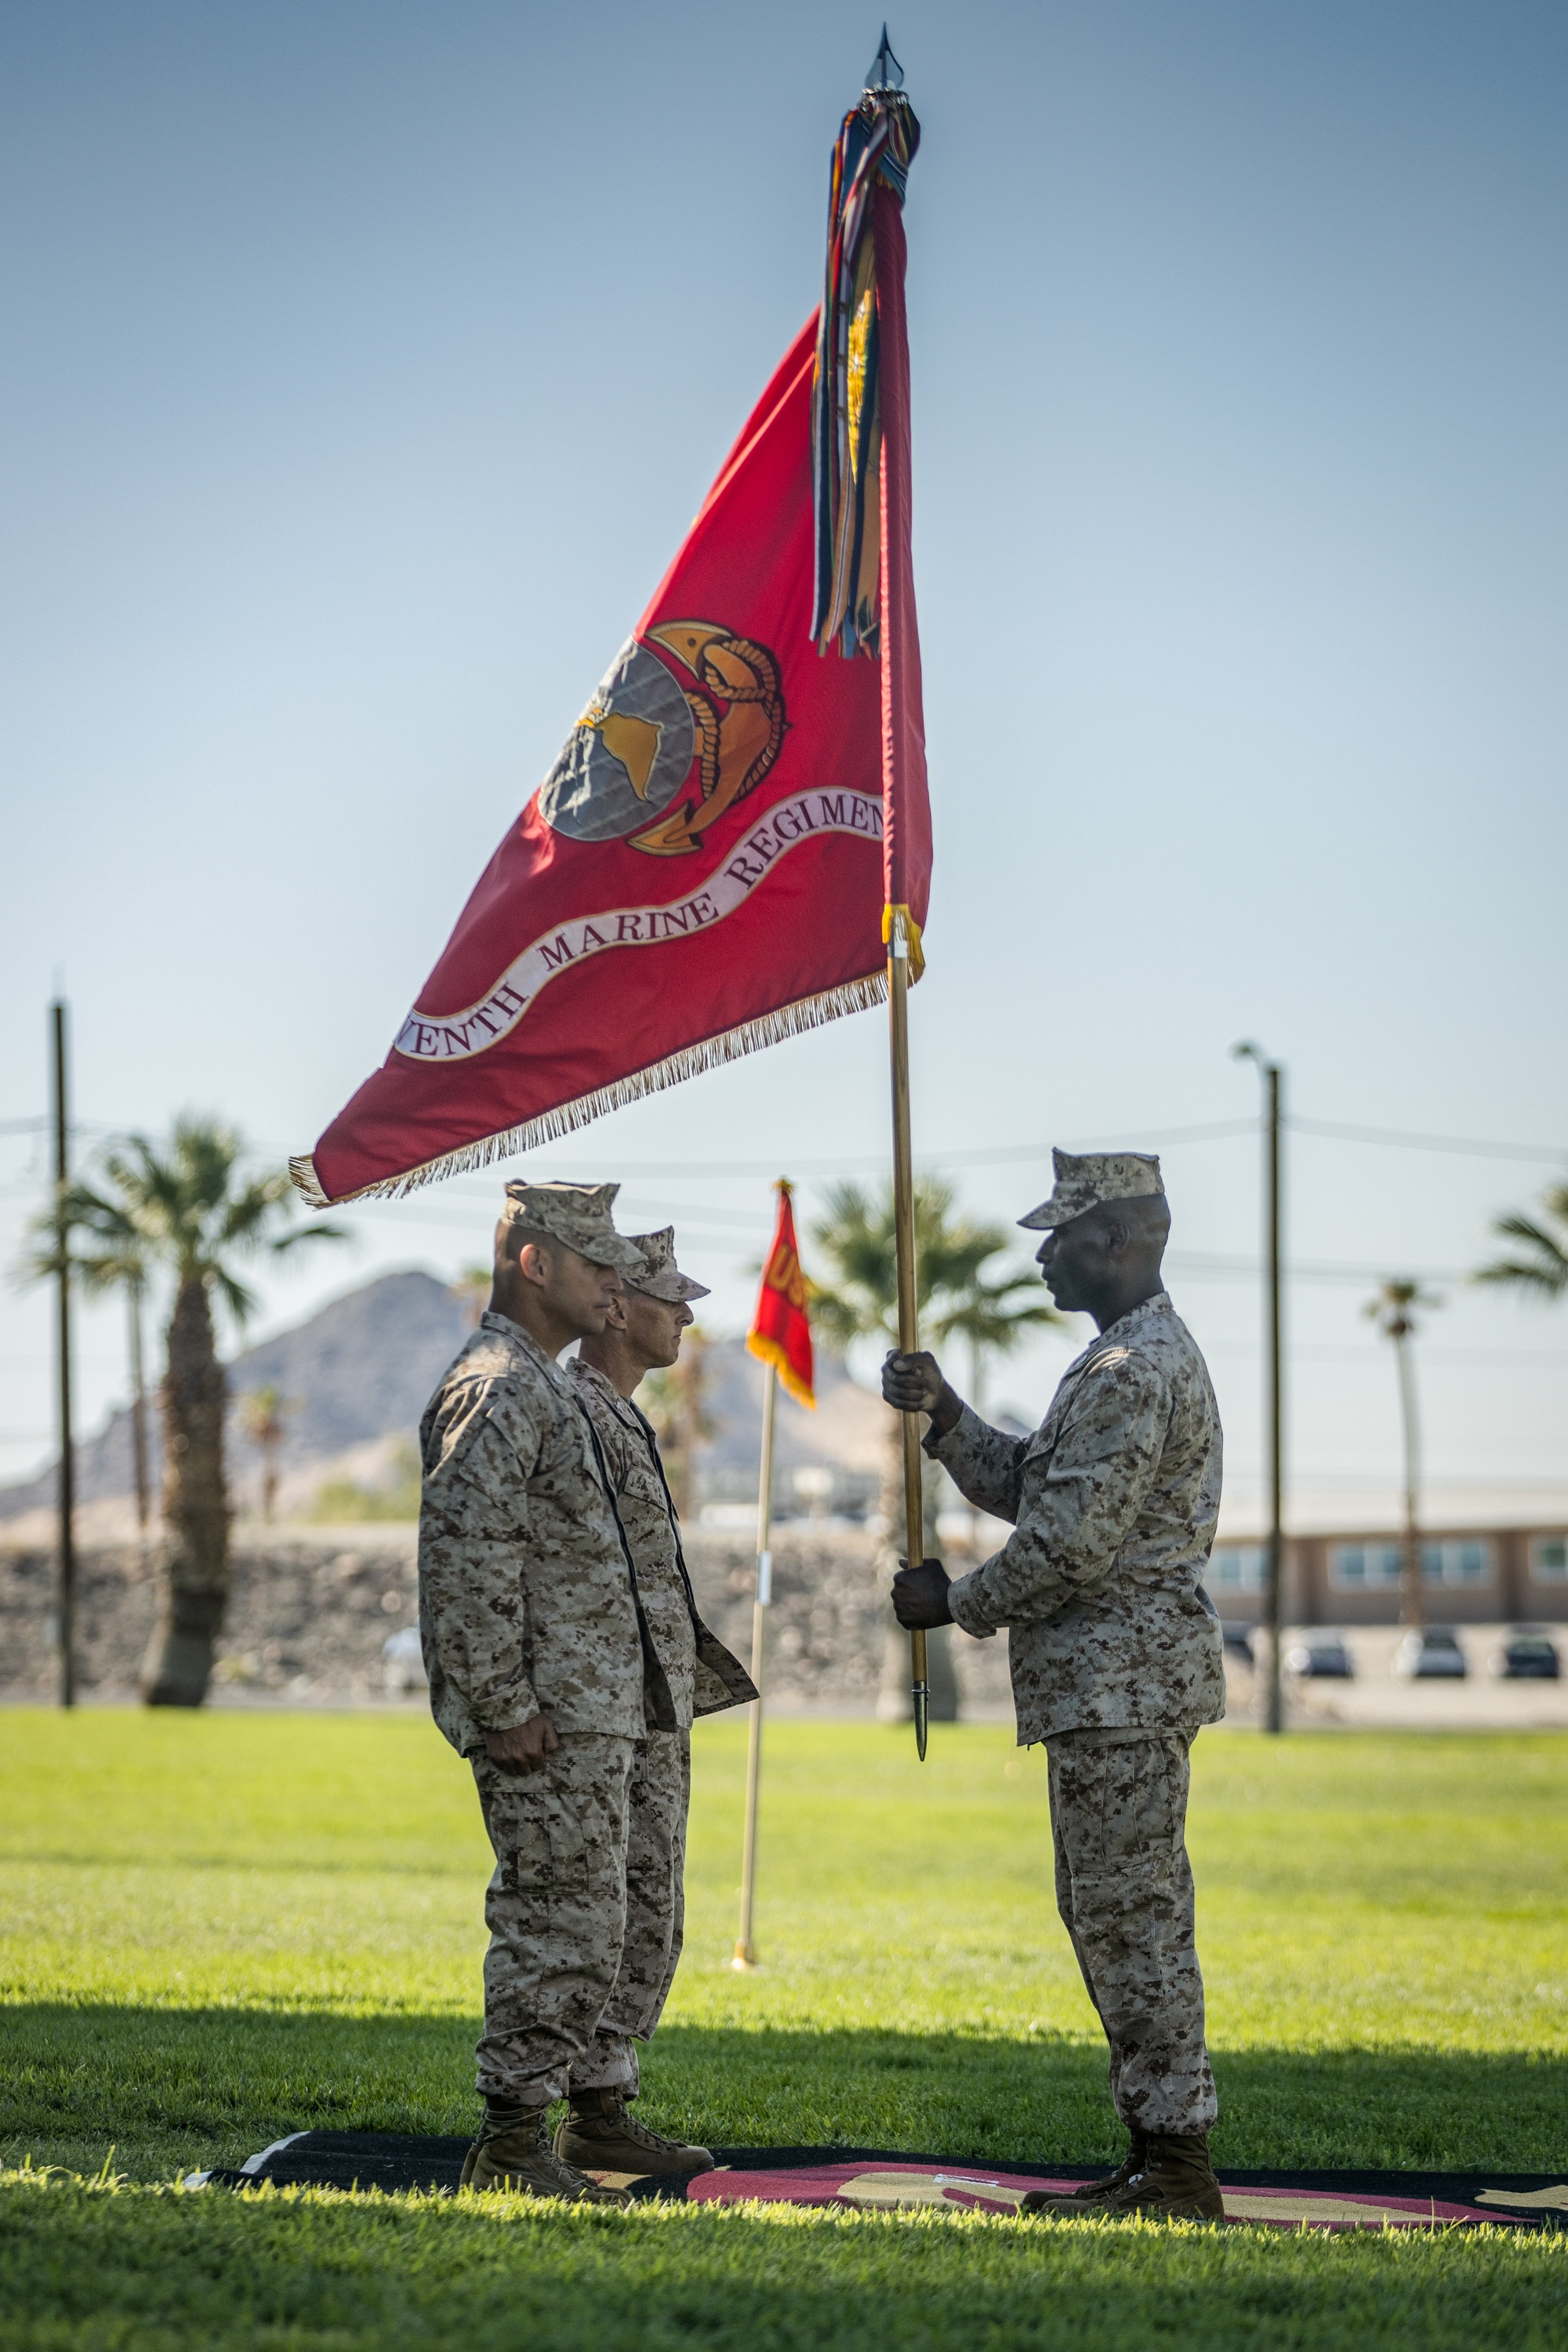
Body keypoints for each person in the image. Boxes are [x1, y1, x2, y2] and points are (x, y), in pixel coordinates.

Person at [881, 1149, 1227, 2223]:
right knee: (1114, 1915)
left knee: (1133, 1920)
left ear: (1118, 1242)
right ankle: (1155, 2155)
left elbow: (1067, 1547)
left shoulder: (1133, 1373)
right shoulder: (1119, 1362)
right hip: (1106, 1693)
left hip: (1122, 1690)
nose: (1042, 1256)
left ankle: (1175, 2166)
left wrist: (955, 1605)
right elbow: (1036, 1486)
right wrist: (945, 1418)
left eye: (1062, 1235)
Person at [418, 1180, 706, 2201]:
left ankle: (589, 2119)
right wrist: (503, 1706)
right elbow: (468, 1557)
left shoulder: (541, 1386)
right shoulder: (500, 1384)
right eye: (596, 1267)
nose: (615, 1286)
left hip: (603, 1708)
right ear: (536, 1264)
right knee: (559, 1919)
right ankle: (510, 2141)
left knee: (616, 1918)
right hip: (552, 1718)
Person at [566, 1226, 755, 2175]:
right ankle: (554, 2109)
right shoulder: (571, 1410)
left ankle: (602, 2102)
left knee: (651, 1902)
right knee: (594, 1905)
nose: (684, 1315)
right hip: (597, 1708)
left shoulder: (625, 1415)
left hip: (649, 1705)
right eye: (666, 1297)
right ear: (613, 1304)